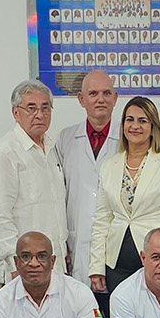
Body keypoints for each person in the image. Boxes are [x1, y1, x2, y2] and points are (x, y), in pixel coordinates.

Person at [91, 97, 160, 293]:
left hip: (159, 266)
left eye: (143, 120)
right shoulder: (109, 166)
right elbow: (101, 221)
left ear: (153, 126)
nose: (135, 126)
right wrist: (96, 267)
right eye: (129, 119)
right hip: (116, 266)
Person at [0, 81, 69, 288]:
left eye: (45, 108)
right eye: (31, 108)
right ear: (15, 112)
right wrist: (17, 264)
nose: (39, 114)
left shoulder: (51, 148)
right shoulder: (5, 153)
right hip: (24, 269)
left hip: (53, 265)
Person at [58, 69, 119, 279]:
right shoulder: (65, 139)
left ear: (115, 98)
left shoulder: (129, 137)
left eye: (106, 93)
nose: (100, 99)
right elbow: (59, 193)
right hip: (77, 243)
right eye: (93, 94)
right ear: (81, 99)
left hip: (117, 246)